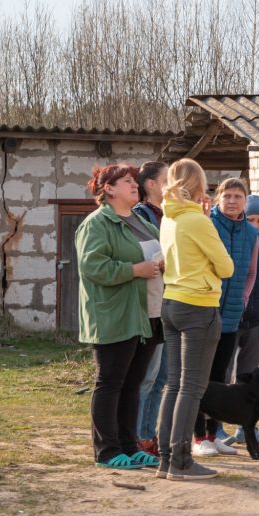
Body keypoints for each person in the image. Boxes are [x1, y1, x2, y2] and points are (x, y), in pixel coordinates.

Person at [75, 163, 163, 470]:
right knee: (110, 383)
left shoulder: (141, 220)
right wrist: (134, 271)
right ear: (108, 189)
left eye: (134, 180)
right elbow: (92, 267)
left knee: (133, 383)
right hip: (115, 315)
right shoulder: (96, 224)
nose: (134, 184)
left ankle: (130, 445)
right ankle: (107, 451)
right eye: (127, 181)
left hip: (147, 314)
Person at [157, 158, 234, 480]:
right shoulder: (198, 222)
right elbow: (227, 267)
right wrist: (205, 223)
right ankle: (182, 461)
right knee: (191, 387)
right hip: (198, 306)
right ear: (198, 184)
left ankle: (165, 459)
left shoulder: (169, 218)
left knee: (174, 385)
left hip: (171, 302)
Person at [192, 177, 259, 458]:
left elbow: (251, 273)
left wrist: (243, 299)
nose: (232, 201)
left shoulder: (251, 233)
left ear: (245, 201)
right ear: (218, 198)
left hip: (231, 315)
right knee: (200, 378)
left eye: (238, 196)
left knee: (221, 376)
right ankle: (197, 438)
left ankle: (213, 434)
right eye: (227, 195)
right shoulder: (207, 223)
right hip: (206, 308)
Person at [223, 194, 259, 447]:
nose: (255, 224)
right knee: (222, 373)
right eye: (251, 218)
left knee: (248, 376)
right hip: (230, 320)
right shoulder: (234, 240)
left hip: (255, 321)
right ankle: (216, 428)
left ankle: (246, 428)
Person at [133, 161, 169, 456]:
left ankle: (148, 436)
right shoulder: (140, 217)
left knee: (162, 377)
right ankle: (133, 437)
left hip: (171, 304)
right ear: (152, 185)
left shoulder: (169, 214)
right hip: (150, 306)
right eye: (168, 179)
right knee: (146, 376)